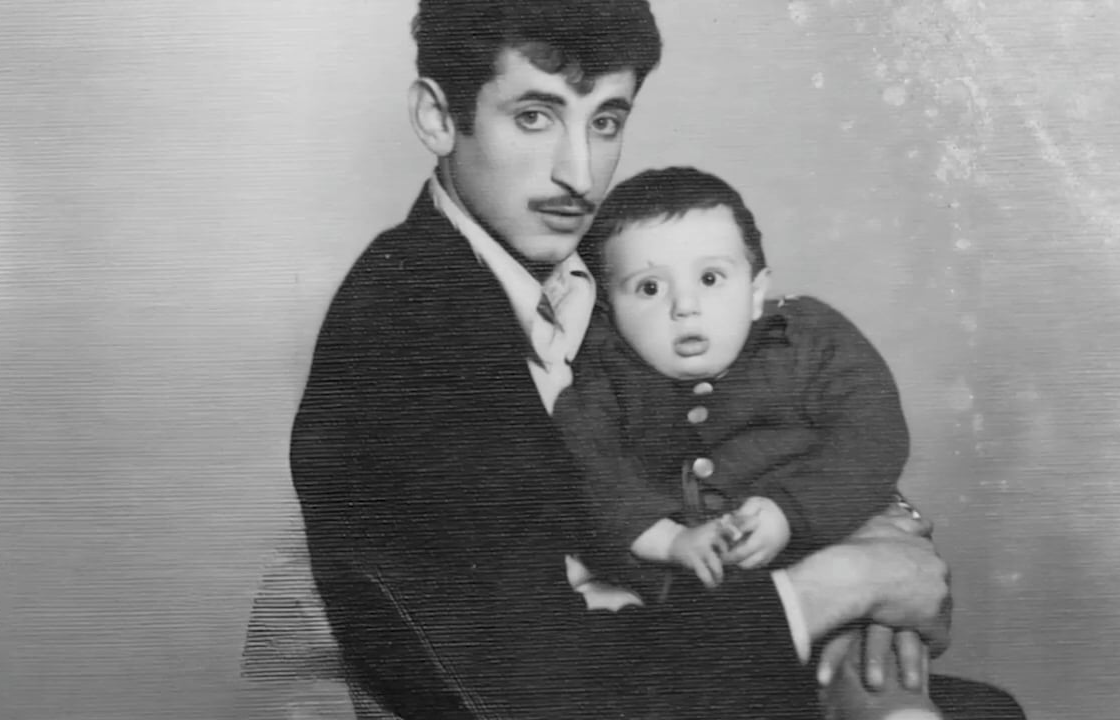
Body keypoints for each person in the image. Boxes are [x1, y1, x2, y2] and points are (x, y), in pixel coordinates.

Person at [288, 1, 1023, 719]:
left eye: (605, 120)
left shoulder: (603, 275)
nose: (579, 174)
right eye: (535, 116)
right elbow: (529, 691)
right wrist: (844, 583)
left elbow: (762, 416)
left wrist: (869, 533)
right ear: (437, 116)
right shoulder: (399, 336)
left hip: (684, 641)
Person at [554, 166, 912, 604]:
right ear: (608, 310)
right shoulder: (602, 375)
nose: (685, 307)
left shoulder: (809, 340)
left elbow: (871, 437)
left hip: (820, 566)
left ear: (756, 292)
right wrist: (668, 540)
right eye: (649, 288)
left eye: (710, 279)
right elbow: (589, 470)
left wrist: (789, 512)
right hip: (680, 597)